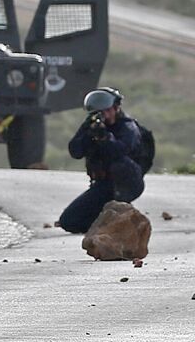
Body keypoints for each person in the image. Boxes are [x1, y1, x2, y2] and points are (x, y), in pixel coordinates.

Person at [58, 87, 145, 233]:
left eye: (107, 110)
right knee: (69, 221)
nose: (104, 115)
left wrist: (105, 137)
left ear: (116, 108)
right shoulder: (92, 126)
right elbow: (76, 151)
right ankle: (106, 223)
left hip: (125, 183)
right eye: (99, 112)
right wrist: (89, 133)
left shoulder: (127, 127)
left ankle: (122, 211)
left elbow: (120, 152)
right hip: (102, 185)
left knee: (120, 166)